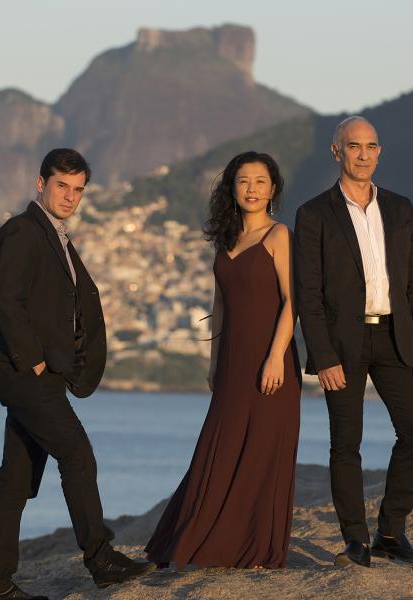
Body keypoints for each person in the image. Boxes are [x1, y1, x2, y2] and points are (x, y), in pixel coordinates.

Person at [0, 148, 155, 600]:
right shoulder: (21, 231)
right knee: (77, 454)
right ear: (41, 184)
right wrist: (33, 360)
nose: (70, 197)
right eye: (62, 186)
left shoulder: (58, 238)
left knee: (14, 480)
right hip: (29, 376)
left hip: (44, 374)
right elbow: (4, 302)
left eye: (78, 190)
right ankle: (100, 559)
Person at [145, 151, 301, 569]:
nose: (251, 189)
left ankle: (253, 549)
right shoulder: (227, 239)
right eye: (244, 181)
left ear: (273, 190)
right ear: (232, 188)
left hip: (271, 358)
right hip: (232, 359)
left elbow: (292, 303)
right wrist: (214, 359)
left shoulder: (278, 235)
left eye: (260, 181)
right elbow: (221, 302)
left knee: (262, 453)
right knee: (219, 447)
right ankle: (200, 540)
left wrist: (275, 358)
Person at [295, 116, 413, 568]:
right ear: (336, 152)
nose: (363, 154)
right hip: (343, 342)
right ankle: (356, 541)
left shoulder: (401, 209)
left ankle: (391, 532)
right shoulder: (314, 213)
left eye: (371, 146)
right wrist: (323, 356)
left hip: (396, 336)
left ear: (379, 152)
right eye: (353, 146)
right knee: (346, 443)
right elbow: (309, 294)